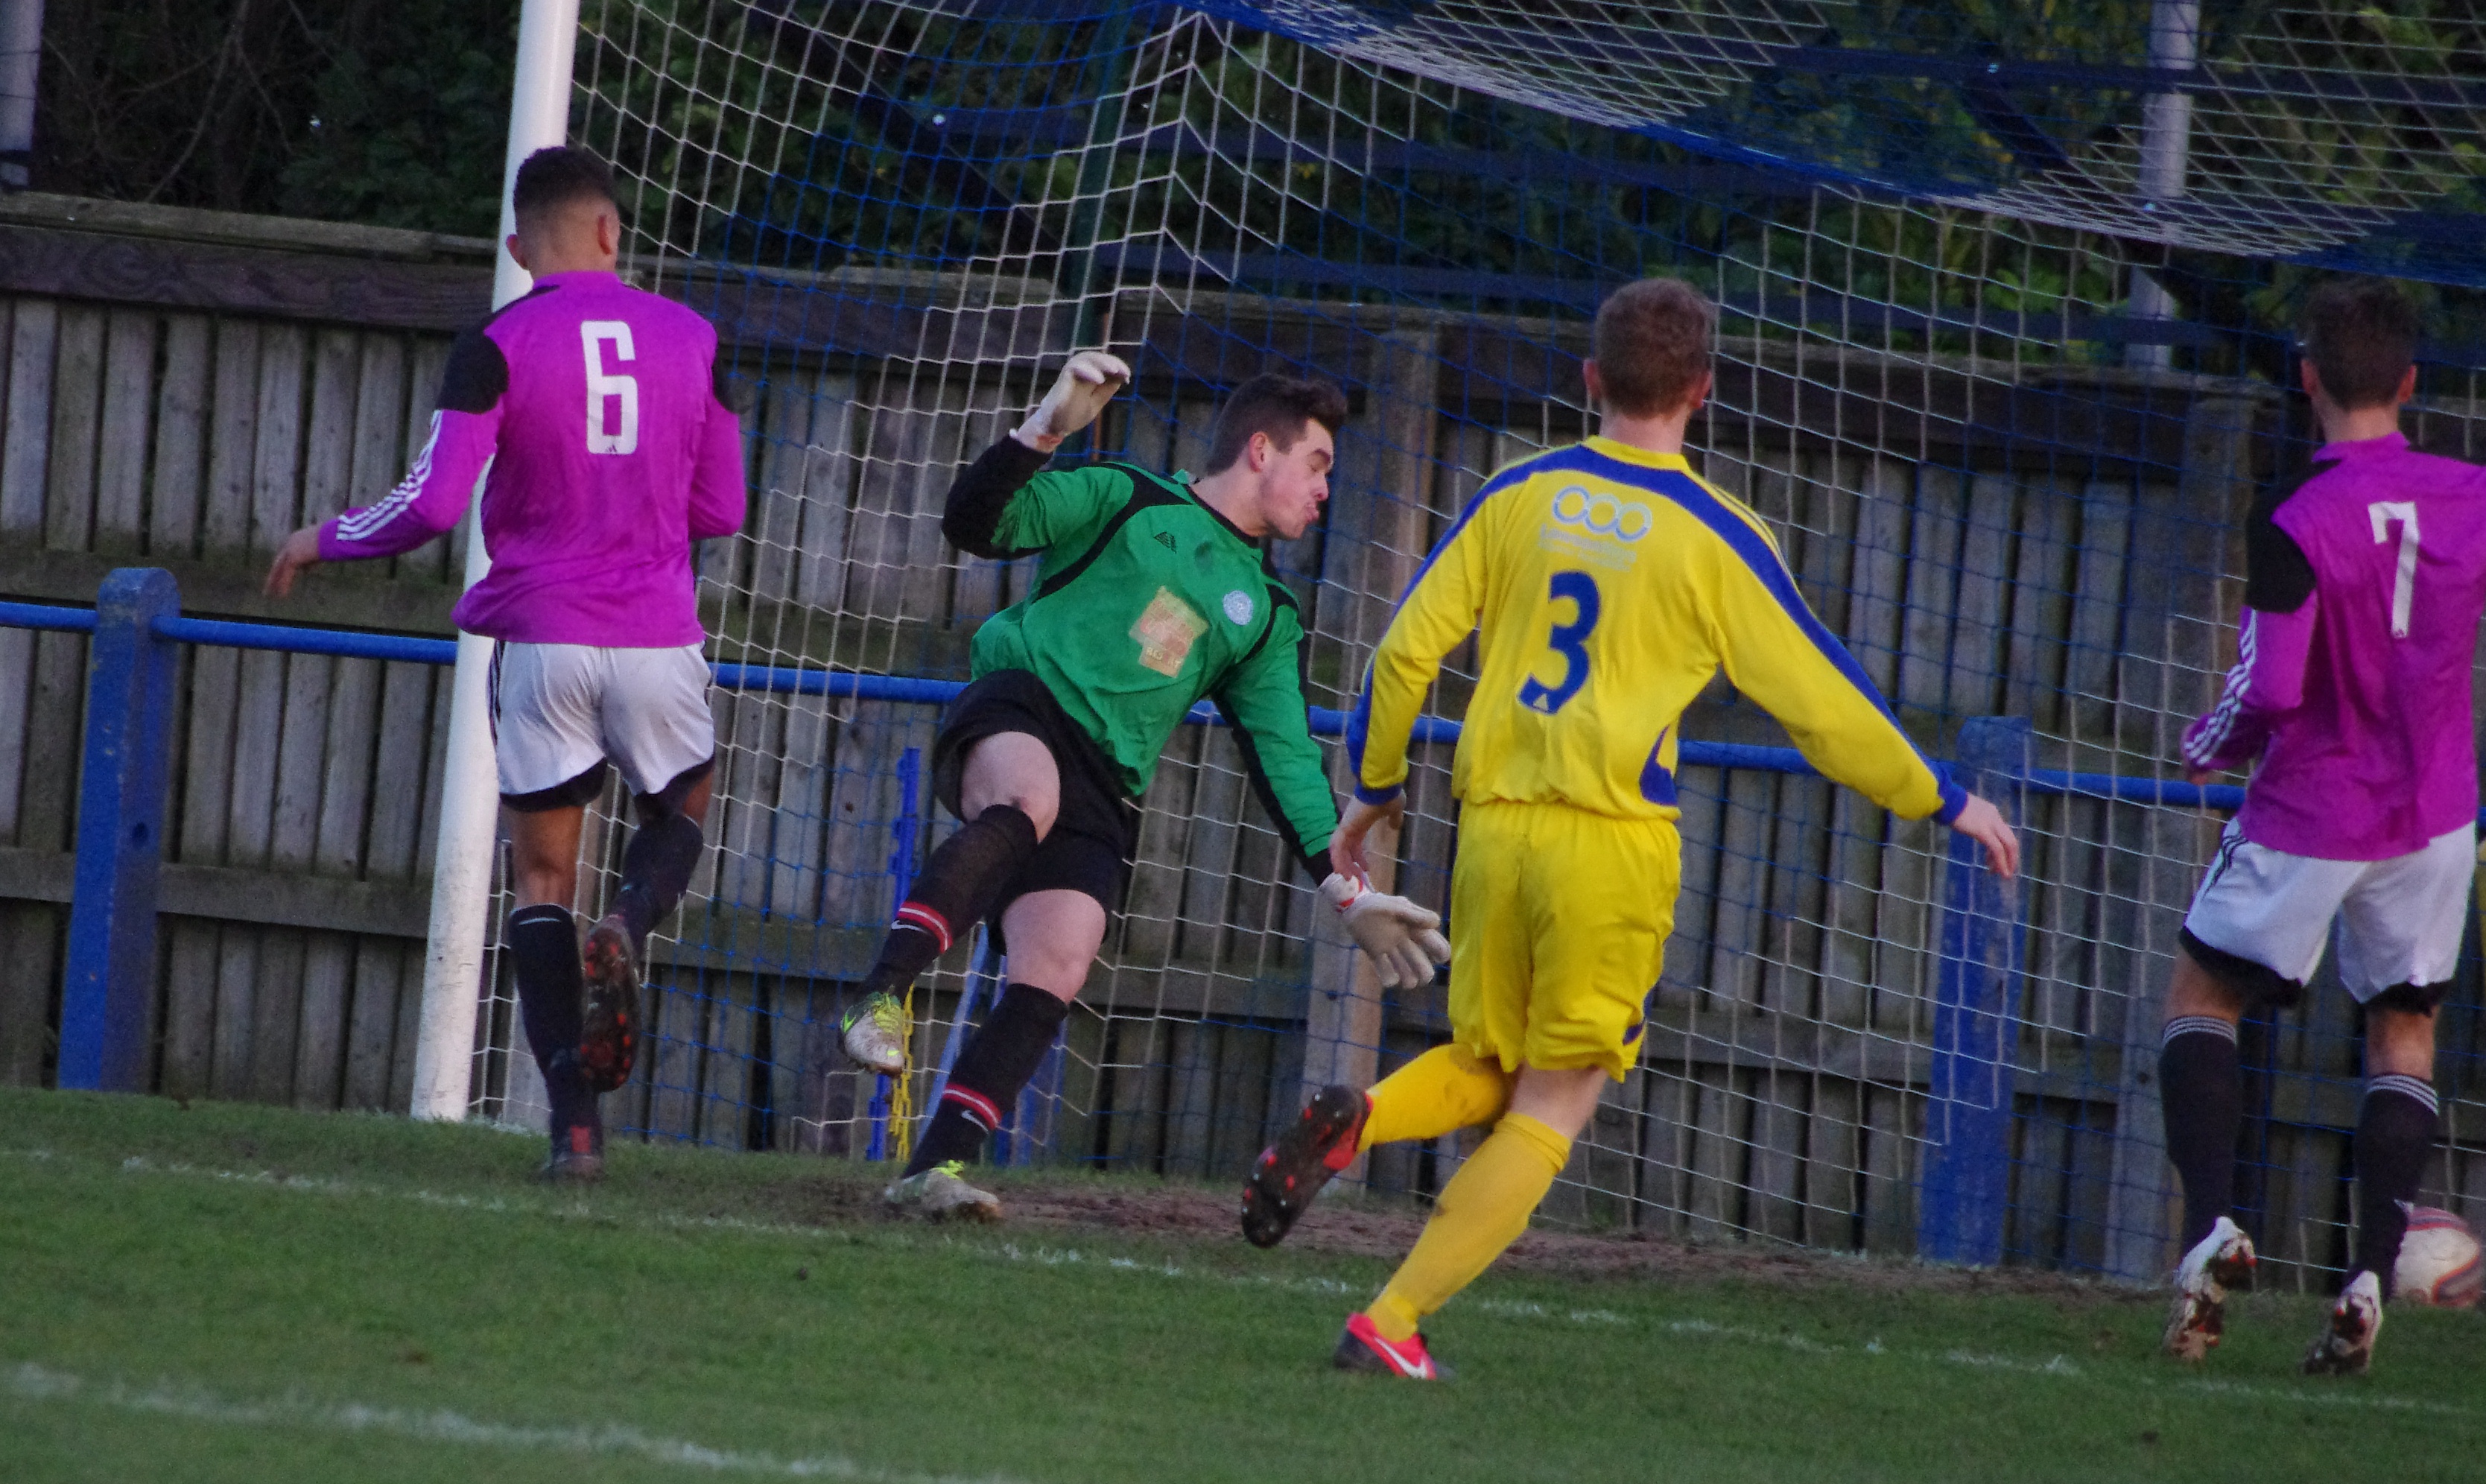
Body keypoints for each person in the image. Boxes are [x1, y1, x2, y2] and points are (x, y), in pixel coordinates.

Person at [1237, 277, 2020, 1379]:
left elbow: (1403, 651)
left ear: (1591, 378)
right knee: (1559, 1097)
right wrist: (1940, 794)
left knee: (1488, 1064)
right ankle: (1392, 1320)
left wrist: (1372, 792)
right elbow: (1822, 701)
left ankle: (1357, 1118)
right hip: (1608, 841)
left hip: (1494, 826)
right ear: (1701, 391)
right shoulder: (1716, 534)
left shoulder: (1520, 490)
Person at [839, 354, 1451, 1222]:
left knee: (1059, 959)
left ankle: (927, 1174)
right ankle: (880, 993)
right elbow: (977, 522)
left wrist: (1346, 891)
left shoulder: (1266, 615)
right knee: (1029, 801)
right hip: (1022, 705)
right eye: (1317, 466)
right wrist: (1044, 430)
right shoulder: (1123, 495)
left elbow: (1284, 760)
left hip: (1107, 782)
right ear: (1260, 451)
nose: (1324, 492)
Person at [264, 145, 746, 1181]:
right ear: (613, 233)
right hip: (655, 638)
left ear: (519, 247)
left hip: (539, 643)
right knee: (684, 808)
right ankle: (630, 918)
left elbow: (434, 505)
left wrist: (325, 536)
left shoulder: (496, 340)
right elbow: (724, 510)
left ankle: (573, 1129)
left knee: (538, 876)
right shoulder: (697, 339)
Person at [2160, 278, 2486, 1375]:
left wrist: (2208, 742)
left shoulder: (2293, 514)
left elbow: (2272, 683)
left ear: (2306, 377)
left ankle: (2210, 1230)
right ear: (2408, 383)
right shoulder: (2481, 496)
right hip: (2433, 817)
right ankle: (2366, 1279)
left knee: (2201, 998)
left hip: (2313, 806)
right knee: (2401, 1034)